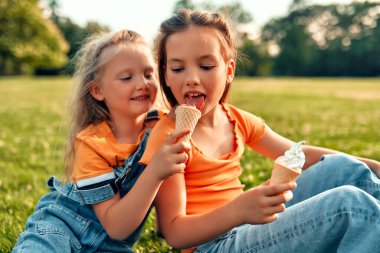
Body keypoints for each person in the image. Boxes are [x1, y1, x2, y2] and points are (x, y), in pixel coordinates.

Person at [139, 9, 380, 253]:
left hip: (246, 226)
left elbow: (297, 153)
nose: (191, 78)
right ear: (166, 76)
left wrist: (374, 165)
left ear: (229, 70)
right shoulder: (169, 137)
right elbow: (175, 233)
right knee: (350, 205)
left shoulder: (234, 118)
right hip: (212, 246)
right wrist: (239, 210)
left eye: (206, 66)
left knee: (344, 169)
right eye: (178, 69)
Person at [12, 29, 190, 252]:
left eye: (148, 73)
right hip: (62, 227)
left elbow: (168, 213)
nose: (142, 83)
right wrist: (155, 172)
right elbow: (117, 226)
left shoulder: (162, 128)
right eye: (127, 77)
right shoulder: (91, 142)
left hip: (112, 247)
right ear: (97, 90)